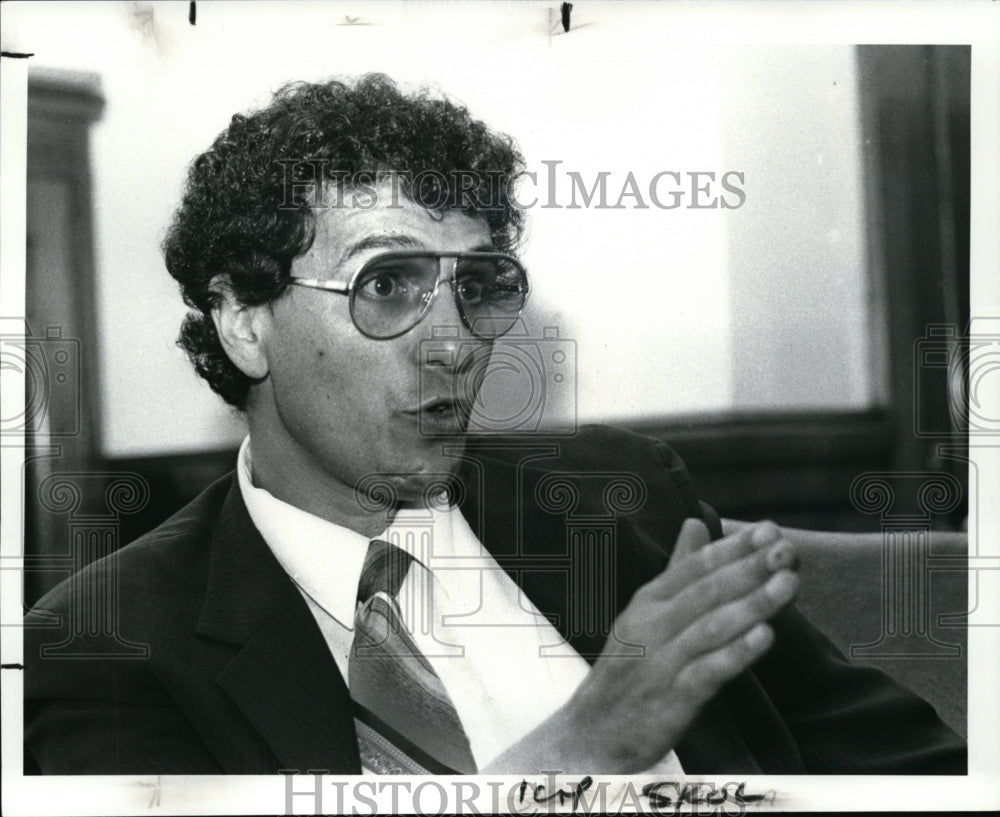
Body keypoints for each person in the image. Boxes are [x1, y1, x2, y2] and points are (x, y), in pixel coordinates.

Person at [23, 74, 965, 775]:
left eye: (475, 286)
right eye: (386, 284)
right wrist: (576, 755)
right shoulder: (104, 647)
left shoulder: (618, 500)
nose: (453, 345)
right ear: (245, 321)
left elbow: (909, 767)